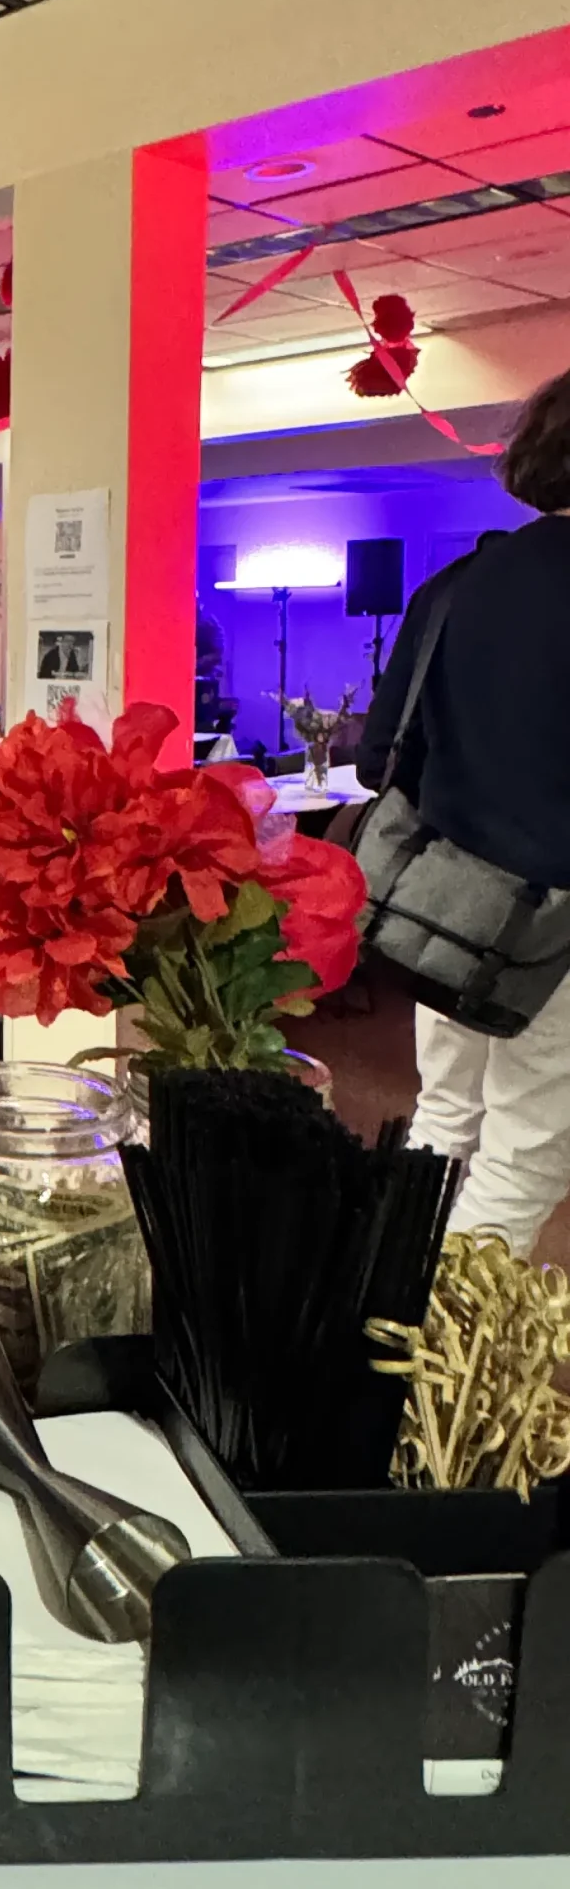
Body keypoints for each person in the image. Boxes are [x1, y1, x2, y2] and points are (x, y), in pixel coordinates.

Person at [355, 378, 570, 1254]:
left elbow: (379, 757)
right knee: (523, 1155)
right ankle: (440, 1329)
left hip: (443, 903)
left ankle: (388, 1296)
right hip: (555, 923)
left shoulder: (458, 582)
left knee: (444, 1117)